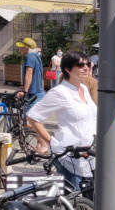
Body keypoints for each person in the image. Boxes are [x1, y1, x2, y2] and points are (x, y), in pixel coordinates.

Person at [27, 51, 96, 190]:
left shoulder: (83, 88)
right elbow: (33, 116)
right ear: (67, 69)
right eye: (80, 64)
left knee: (88, 204)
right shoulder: (60, 92)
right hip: (69, 157)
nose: (86, 67)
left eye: (88, 64)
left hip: (89, 156)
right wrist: (51, 142)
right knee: (72, 204)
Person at [16, 37, 45, 106]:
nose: (19, 49)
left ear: (27, 48)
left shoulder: (30, 57)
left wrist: (24, 91)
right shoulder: (36, 56)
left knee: (28, 116)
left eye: (21, 47)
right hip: (37, 92)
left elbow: (29, 73)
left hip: (34, 94)